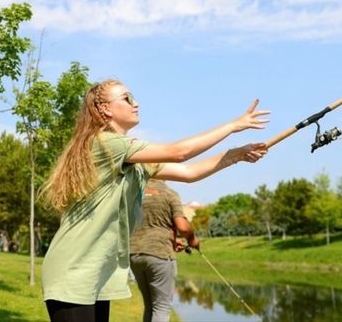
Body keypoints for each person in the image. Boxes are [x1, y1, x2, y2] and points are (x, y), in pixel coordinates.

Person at [40, 79, 269, 322]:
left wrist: (235, 155)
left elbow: (189, 173)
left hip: (95, 271)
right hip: (73, 269)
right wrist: (233, 125)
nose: (136, 103)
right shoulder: (107, 143)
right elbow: (178, 153)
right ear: (105, 108)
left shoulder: (133, 159)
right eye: (127, 98)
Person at [129, 181, 198, 322]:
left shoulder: (135, 193)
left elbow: (148, 225)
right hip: (159, 254)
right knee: (161, 307)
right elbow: (183, 227)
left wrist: (172, 241)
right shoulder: (169, 194)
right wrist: (192, 239)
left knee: (150, 306)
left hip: (134, 254)